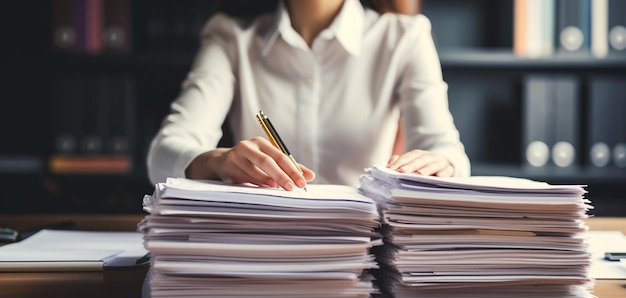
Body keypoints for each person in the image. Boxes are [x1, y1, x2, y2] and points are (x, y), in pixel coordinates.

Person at [146, 0, 471, 191]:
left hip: (363, 250)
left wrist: (440, 162)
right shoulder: (231, 36)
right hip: (258, 245)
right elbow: (163, 155)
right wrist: (218, 161)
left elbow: (449, 153)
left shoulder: (405, 36)